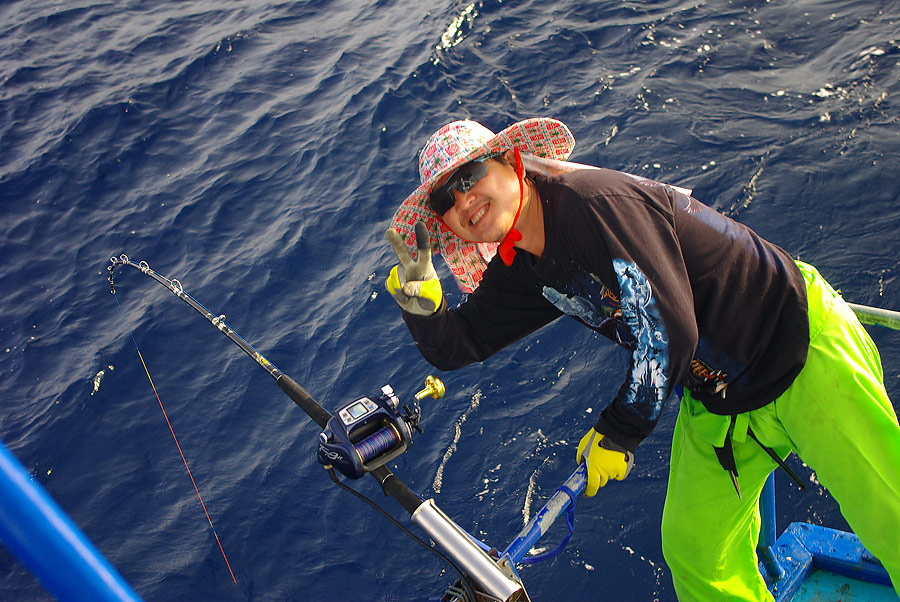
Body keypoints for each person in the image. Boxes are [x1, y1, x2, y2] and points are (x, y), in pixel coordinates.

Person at [383, 117, 900, 601]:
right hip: (720, 393)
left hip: (797, 343)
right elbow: (461, 343)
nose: (464, 199)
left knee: (890, 513)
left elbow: (669, 324)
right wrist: (422, 305)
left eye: (470, 175)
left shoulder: (589, 203)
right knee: (695, 550)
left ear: (509, 161)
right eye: (445, 199)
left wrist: (620, 431)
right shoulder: (521, 262)